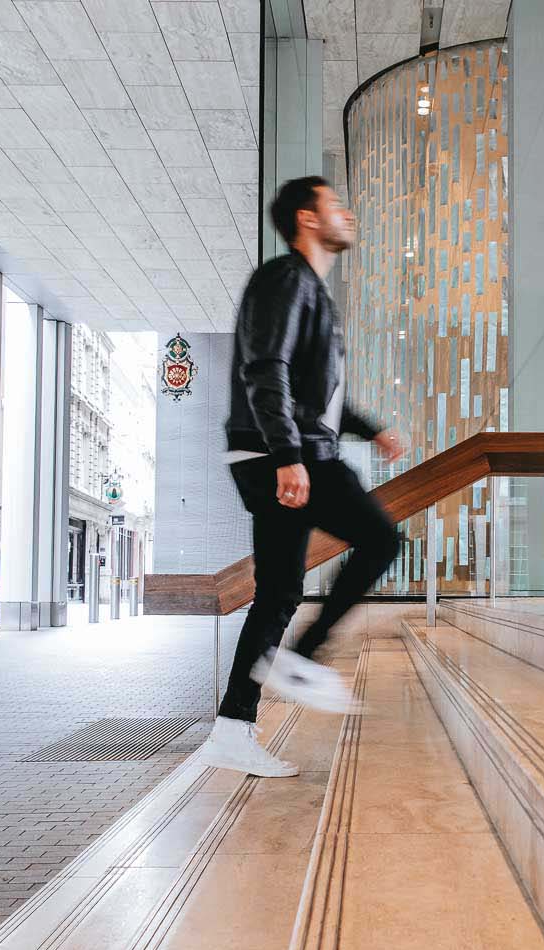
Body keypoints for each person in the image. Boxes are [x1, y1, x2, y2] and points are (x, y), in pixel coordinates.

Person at [197, 176, 406, 780]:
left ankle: (232, 730)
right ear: (308, 219)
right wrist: (288, 454)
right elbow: (268, 367)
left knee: (280, 592)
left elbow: (321, 397)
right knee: (381, 538)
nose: (346, 212)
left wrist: (370, 429)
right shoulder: (288, 279)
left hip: (279, 451)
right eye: (334, 204)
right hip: (285, 456)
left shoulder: (306, 288)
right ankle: (304, 659)